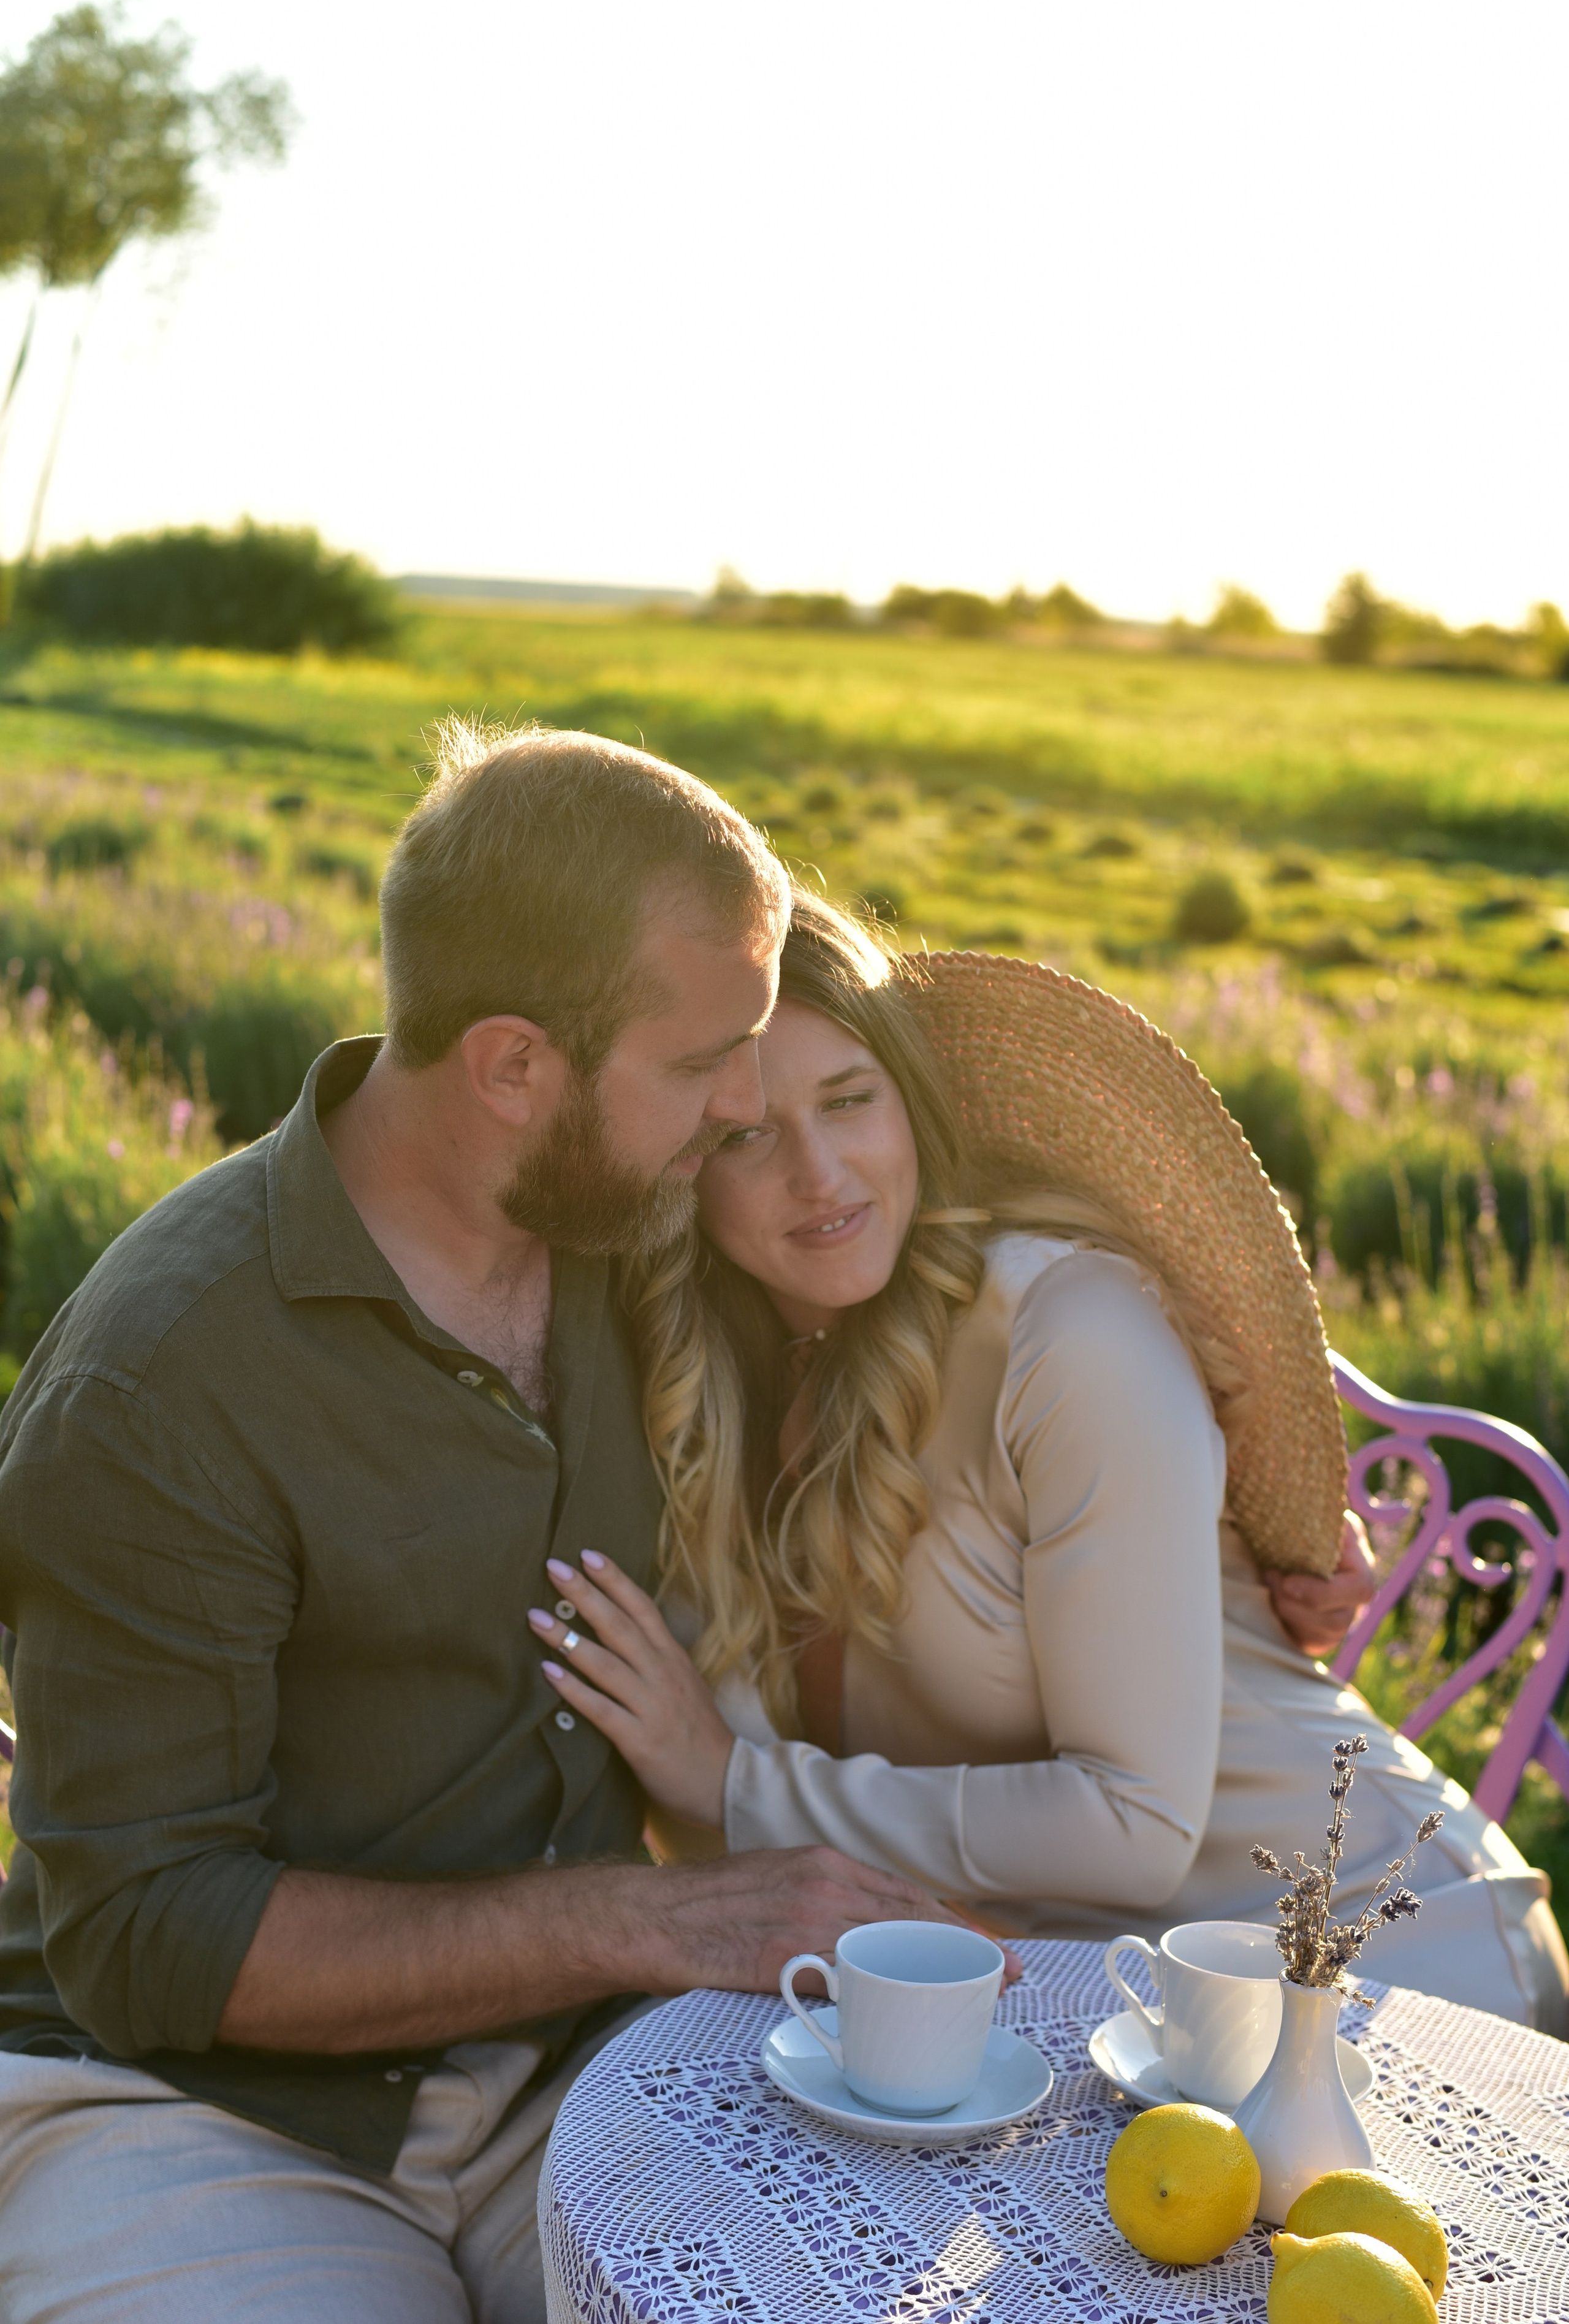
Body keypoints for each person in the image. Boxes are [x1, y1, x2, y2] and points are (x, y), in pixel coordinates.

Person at [0, 734, 971, 2324]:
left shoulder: (627, 1229)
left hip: (580, 2068)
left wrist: (1254, 1500)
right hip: (189, 2111)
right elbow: (144, 1938)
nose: (745, 1104)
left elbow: (954, 1217)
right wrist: (650, 1913)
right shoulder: (157, 1384)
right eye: (702, 1059)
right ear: (515, 1065)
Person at [531, 893, 1569, 2034]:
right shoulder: (700, 1383)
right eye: (746, 1132)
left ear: (912, 1105)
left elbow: (1132, 1823)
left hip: (1380, 1963)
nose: (821, 1174)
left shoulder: (1065, 1327)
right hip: (1076, 1997)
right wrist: (712, 1786)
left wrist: (730, 1779)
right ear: (683, 1161)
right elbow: (713, 1815)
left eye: (850, 1099)